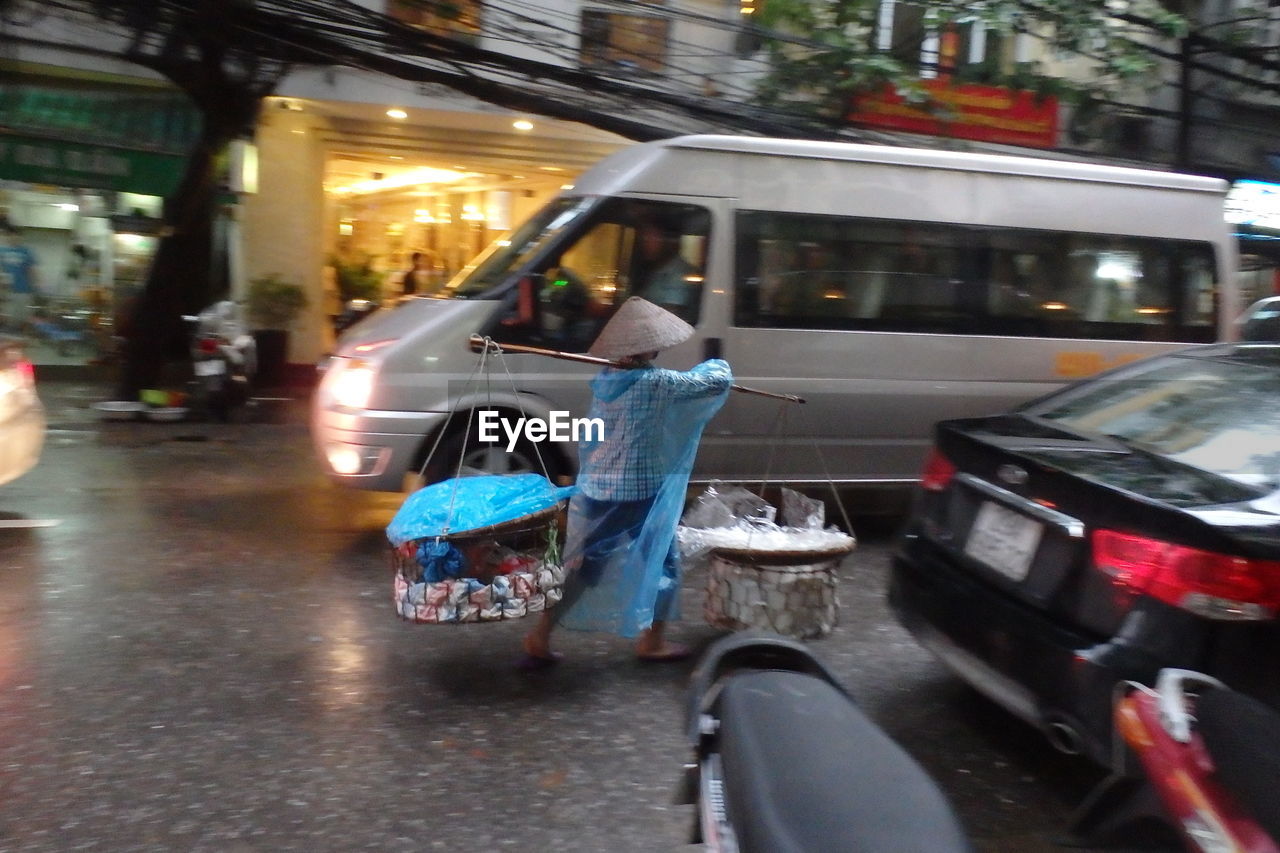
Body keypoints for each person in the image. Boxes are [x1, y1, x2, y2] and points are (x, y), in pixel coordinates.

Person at [521, 297, 732, 667]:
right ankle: (651, 642)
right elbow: (709, 382)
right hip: (639, 493)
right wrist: (720, 363)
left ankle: (540, 635)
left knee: (586, 567)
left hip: (599, 487)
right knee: (663, 562)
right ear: (647, 347)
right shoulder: (656, 383)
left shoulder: (605, 379)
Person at [634, 218, 701, 324]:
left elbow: (668, 317)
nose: (646, 243)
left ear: (666, 240)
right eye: (644, 237)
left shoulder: (679, 272)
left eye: (652, 237)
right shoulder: (657, 268)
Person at [0, 227, 40, 335]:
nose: (14, 238)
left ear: (20, 237)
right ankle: (7, 337)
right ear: (7, 237)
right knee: (7, 314)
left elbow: (32, 269)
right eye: (11, 235)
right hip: (6, 290)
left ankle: (19, 336)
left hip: (24, 289)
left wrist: (36, 284)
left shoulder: (26, 252)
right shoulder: (2, 251)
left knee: (22, 315)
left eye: (16, 235)